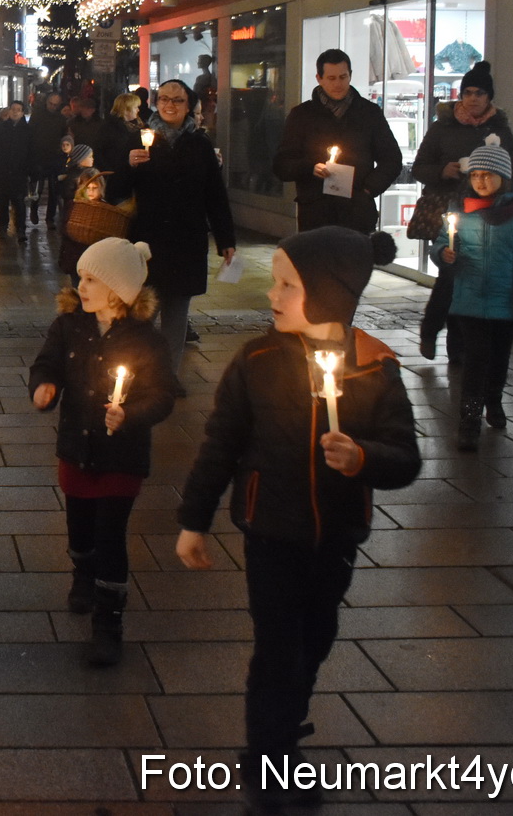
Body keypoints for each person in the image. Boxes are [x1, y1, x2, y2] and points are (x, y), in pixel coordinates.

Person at [176, 227, 420, 813]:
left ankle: (284, 724)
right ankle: (270, 757)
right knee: (279, 647)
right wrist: (193, 520)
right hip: (272, 532)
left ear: (328, 293)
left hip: (336, 535)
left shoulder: (374, 368)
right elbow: (220, 445)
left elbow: (405, 457)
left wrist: (362, 458)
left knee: (316, 638)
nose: (272, 294)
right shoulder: (257, 361)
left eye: (288, 284)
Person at [30, 238, 175, 666]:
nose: (81, 286)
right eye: (80, 277)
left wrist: (130, 414)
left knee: (111, 536)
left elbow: (163, 395)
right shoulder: (68, 326)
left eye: (92, 279)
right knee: (80, 528)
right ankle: (83, 574)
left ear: (118, 289)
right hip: (77, 448)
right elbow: (48, 362)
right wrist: (45, 386)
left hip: (121, 457)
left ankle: (109, 624)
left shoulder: (146, 340)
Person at [121, 80, 237, 387]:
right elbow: (117, 189)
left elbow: (215, 194)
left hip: (187, 240)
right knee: (142, 314)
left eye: (177, 100)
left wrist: (226, 238)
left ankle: (166, 379)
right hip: (148, 241)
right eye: (164, 99)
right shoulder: (140, 139)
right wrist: (128, 165)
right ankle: (137, 376)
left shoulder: (199, 144)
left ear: (189, 106)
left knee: (176, 315)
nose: (169, 104)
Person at [440, 141, 513, 450]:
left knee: (499, 358)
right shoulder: (461, 208)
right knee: (476, 359)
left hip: (506, 302)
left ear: (503, 177)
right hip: (470, 301)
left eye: (487, 175)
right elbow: (442, 241)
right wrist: (444, 253)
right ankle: (469, 420)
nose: (480, 181)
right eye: (475, 175)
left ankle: (494, 400)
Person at [410, 62, 513, 360]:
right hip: (448, 212)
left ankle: (456, 346)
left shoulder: (500, 131)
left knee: (466, 279)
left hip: (484, 214)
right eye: (467, 92)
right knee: (449, 275)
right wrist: (442, 171)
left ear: (489, 96)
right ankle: (432, 330)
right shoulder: (443, 127)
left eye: (479, 93)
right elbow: (419, 167)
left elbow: (510, 175)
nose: (472, 98)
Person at [272, 49, 403, 233]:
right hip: (316, 213)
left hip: (357, 211)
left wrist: (367, 190)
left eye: (343, 77)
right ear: (319, 78)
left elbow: (391, 159)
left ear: (350, 75)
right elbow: (282, 165)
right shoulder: (302, 115)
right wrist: (310, 167)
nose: (338, 84)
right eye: (331, 78)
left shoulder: (369, 113)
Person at [0, 101, 32, 242]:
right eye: (13, 109)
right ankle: (2, 226)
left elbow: (32, 151)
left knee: (19, 201)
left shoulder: (27, 130)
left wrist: (31, 169)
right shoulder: (1, 128)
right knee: (2, 200)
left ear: (22, 112)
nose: (15, 112)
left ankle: (20, 228)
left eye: (18, 109)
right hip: (2, 170)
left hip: (19, 171)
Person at [95, 91, 145, 203]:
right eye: (135, 107)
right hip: (116, 180)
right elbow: (98, 152)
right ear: (126, 109)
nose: (138, 110)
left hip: (133, 179)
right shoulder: (109, 128)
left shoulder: (138, 127)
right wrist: (110, 172)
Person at [27, 91, 68, 226]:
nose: (53, 107)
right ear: (47, 102)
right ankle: (34, 208)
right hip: (38, 157)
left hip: (55, 158)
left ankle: (50, 218)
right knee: (37, 188)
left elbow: (63, 136)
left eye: (56, 105)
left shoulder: (60, 119)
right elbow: (30, 135)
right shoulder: (37, 115)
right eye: (51, 104)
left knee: (54, 190)